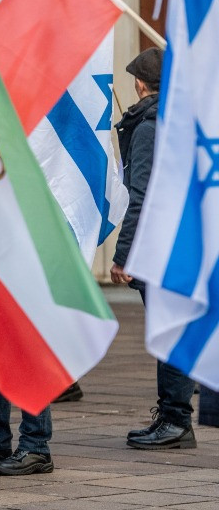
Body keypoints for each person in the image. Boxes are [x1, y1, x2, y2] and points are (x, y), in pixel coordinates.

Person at [111, 46, 196, 450]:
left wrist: (123, 255)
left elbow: (139, 197)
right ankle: (174, 417)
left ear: (141, 85)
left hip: (162, 247)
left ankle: (176, 420)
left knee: (170, 334)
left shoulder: (148, 126)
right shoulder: (185, 121)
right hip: (186, 241)